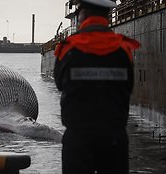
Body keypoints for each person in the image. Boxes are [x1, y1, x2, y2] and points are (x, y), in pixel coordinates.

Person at [53, 0, 140, 173]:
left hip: (78, 138)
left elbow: (59, 84)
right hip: (114, 138)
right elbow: (128, 87)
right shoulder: (124, 49)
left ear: (83, 14)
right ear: (107, 16)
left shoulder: (68, 48)